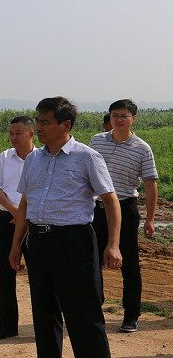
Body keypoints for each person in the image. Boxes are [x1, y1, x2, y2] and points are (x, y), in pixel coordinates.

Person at [8, 97, 122, 358]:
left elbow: (110, 200)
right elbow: (25, 204)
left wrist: (113, 245)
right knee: (44, 313)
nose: (39, 128)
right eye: (38, 121)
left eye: (46, 122)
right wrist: (16, 245)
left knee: (83, 314)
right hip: (39, 243)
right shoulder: (33, 159)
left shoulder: (86, 157)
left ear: (66, 125)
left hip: (74, 243)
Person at [90, 99, 158, 332]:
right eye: (114, 115)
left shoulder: (142, 148)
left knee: (129, 264)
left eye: (123, 116)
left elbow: (150, 184)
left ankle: (131, 314)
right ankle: (94, 308)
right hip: (96, 209)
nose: (118, 120)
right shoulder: (97, 141)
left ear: (133, 119)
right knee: (92, 261)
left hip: (125, 208)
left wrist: (150, 219)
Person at [0, 115, 35, 340]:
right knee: (6, 274)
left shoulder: (41, 158)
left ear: (31, 134)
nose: (13, 137)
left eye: (18, 133)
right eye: (11, 133)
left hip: (34, 222)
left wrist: (24, 215)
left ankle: (43, 325)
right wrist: (16, 212)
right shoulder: (4, 157)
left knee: (39, 276)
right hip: (8, 220)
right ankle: (7, 325)